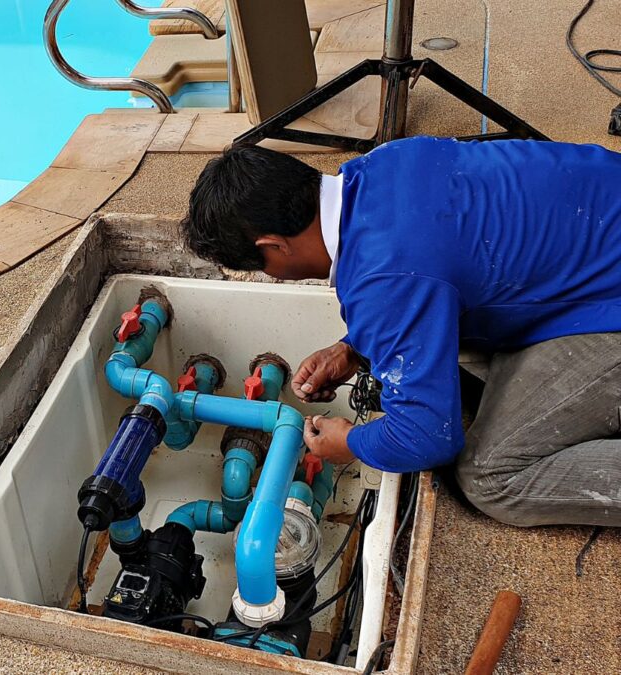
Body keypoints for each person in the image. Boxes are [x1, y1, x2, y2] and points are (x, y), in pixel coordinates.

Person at [180, 136, 621, 527]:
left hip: (608, 302)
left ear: (273, 246)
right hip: (600, 224)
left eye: (265, 268)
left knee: (489, 475)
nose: (276, 276)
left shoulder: (383, 281)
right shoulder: (383, 163)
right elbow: (433, 262)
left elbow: (427, 436)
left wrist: (350, 442)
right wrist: (354, 347)